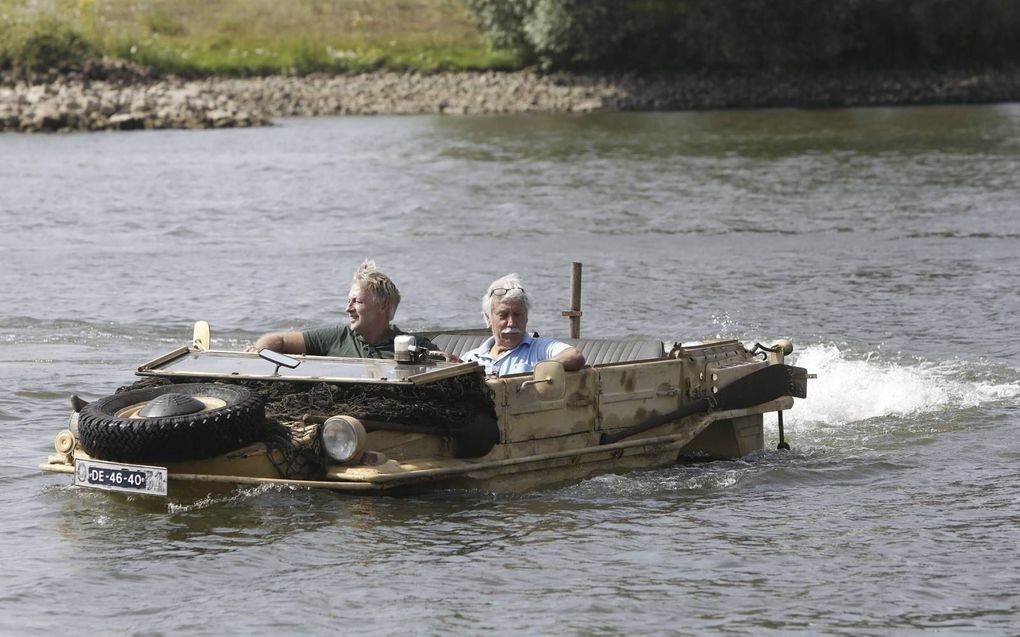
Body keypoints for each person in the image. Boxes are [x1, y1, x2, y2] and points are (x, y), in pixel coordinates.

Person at [250, 259, 444, 359]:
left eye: (356, 301)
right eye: (348, 300)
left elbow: (451, 366)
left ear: (383, 305)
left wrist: (445, 361)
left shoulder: (413, 345)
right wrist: (257, 353)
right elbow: (279, 340)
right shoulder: (336, 337)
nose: (347, 308)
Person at [460, 273, 585, 376]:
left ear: (526, 317)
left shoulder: (540, 349)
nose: (511, 323)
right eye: (503, 315)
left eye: (517, 315)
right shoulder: (471, 358)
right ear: (488, 319)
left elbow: (575, 356)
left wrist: (540, 370)